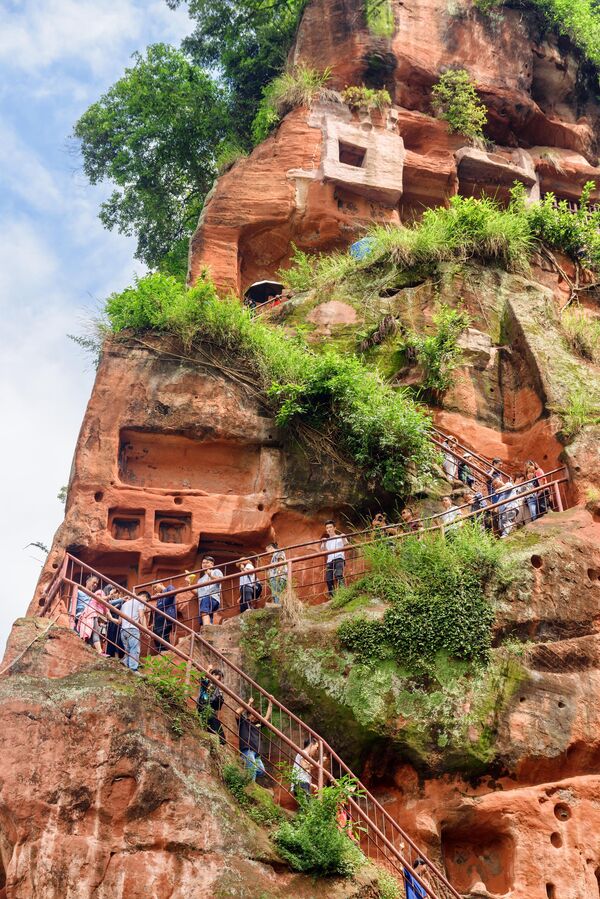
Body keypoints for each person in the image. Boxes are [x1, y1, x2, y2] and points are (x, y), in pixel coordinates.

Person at [235, 695, 272, 781]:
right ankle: (250, 788)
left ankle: (245, 776)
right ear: (249, 713)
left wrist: (270, 703)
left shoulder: (257, 725)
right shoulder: (243, 721)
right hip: (247, 750)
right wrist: (249, 703)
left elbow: (267, 717)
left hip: (256, 753)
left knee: (261, 771)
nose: (255, 717)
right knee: (252, 771)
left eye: (257, 716)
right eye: (253, 714)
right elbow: (237, 712)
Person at [120, 592, 148, 672]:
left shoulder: (124, 604)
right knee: (134, 649)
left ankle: (126, 664)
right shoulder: (140, 602)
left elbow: (119, 621)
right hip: (133, 629)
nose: (145, 603)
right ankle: (133, 669)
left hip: (123, 630)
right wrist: (146, 630)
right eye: (146, 600)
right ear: (143, 596)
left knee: (128, 650)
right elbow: (141, 616)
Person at [197, 668, 226, 745]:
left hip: (211, 710)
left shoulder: (218, 689)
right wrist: (208, 669)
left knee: (218, 732)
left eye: (220, 679)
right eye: (218, 677)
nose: (219, 680)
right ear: (213, 675)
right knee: (219, 734)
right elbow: (202, 678)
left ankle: (219, 742)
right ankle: (220, 742)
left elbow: (217, 706)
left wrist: (220, 699)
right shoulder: (207, 681)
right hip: (203, 706)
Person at [77, 583, 107, 654]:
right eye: (94, 582)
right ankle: (99, 652)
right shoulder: (99, 592)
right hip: (88, 614)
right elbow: (99, 599)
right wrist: (110, 596)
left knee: (92, 635)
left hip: (92, 616)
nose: (95, 584)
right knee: (95, 633)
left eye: (97, 583)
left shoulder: (101, 601)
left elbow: (108, 612)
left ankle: (89, 653)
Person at [321, 521, 348, 597]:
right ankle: (333, 597)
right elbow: (323, 550)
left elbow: (346, 544)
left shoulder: (340, 537)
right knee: (328, 579)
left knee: (338, 575)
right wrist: (323, 542)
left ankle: (343, 593)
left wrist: (343, 537)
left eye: (330, 527)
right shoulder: (326, 540)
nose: (329, 529)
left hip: (339, 558)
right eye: (327, 528)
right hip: (330, 561)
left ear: (334, 528)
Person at [196, 557, 224, 625]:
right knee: (204, 618)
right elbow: (198, 593)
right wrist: (189, 585)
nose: (205, 564)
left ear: (212, 564)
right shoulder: (200, 580)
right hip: (203, 599)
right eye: (203, 563)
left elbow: (221, 580)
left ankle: (206, 628)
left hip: (212, 597)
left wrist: (210, 575)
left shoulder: (216, 571)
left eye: (207, 562)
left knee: (204, 612)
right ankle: (208, 630)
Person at [152, 583, 177, 652]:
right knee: (158, 633)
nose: (155, 589)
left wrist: (162, 594)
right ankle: (163, 651)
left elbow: (173, 593)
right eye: (153, 588)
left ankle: (166, 651)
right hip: (160, 618)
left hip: (167, 615)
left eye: (155, 586)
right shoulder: (159, 597)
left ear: (161, 584)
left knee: (161, 632)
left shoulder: (169, 587)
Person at [105, 587, 125, 658]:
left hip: (119, 621)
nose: (112, 595)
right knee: (111, 638)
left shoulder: (123, 601)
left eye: (114, 593)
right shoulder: (111, 602)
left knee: (119, 639)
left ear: (118, 593)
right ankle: (111, 655)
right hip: (111, 622)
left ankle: (119, 656)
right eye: (111, 594)